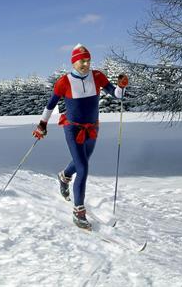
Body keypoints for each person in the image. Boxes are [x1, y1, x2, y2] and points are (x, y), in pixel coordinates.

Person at [33, 43, 128, 230]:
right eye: (81, 61)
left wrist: (121, 86)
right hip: (72, 128)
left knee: (80, 163)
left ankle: (64, 176)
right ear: (73, 62)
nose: (85, 64)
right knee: (83, 167)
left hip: (92, 128)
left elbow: (117, 95)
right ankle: (78, 211)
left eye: (87, 60)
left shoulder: (97, 76)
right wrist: (42, 124)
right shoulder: (64, 81)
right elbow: (50, 105)